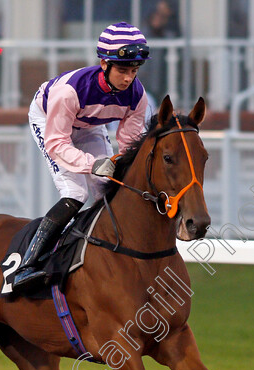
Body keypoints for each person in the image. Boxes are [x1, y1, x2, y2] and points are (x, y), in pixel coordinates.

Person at [12, 22, 150, 294]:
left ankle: (106, 259)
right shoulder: (70, 91)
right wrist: (92, 164)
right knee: (76, 193)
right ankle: (26, 266)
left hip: (88, 125)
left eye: (134, 71)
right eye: (122, 70)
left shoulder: (137, 95)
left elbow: (130, 143)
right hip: (49, 122)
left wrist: (120, 165)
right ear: (103, 63)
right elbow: (57, 142)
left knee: (105, 191)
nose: (128, 79)